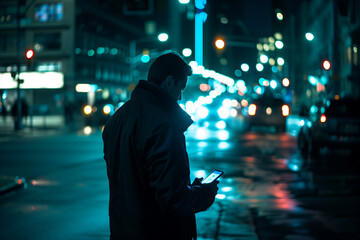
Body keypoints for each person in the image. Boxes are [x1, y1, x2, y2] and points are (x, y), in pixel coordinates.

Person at [102, 52, 219, 240]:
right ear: (169, 82)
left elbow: (136, 181)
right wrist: (205, 192)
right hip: (157, 232)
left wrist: (191, 189)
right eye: (181, 88)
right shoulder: (163, 124)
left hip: (122, 230)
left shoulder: (118, 118)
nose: (180, 97)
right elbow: (173, 199)